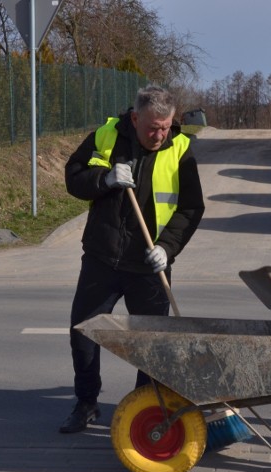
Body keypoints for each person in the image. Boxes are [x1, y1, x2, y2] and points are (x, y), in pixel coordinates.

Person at [59, 85, 205, 434]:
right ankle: (86, 402)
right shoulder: (106, 137)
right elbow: (73, 177)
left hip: (150, 264)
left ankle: (142, 407)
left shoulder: (181, 150)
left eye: (166, 126)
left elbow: (191, 208)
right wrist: (104, 178)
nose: (159, 135)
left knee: (150, 343)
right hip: (103, 256)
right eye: (153, 127)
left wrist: (167, 248)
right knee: (84, 332)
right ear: (135, 118)